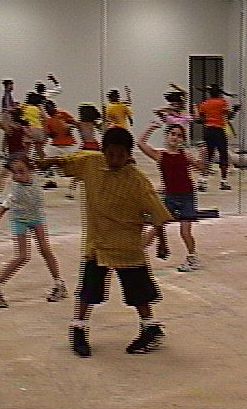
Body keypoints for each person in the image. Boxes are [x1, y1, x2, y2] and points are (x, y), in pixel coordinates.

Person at [38, 127, 173, 358]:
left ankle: (150, 328)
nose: (115, 159)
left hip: (126, 246)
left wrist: (162, 243)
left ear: (129, 155)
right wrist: (47, 162)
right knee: (88, 291)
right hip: (97, 244)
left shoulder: (138, 181)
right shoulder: (91, 163)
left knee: (138, 292)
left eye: (121, 155)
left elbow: (156, 212)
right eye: (111, 154)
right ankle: (79, 328)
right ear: (103, 151)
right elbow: (67, 161)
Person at [0, 156, 66, 307]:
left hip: (37, 218)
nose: (17, 176)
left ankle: (59, 285)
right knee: (22, 256)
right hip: (20, 221)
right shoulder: (15, 192)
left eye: (21, 171)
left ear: (30, 170)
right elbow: (1, 209)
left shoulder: (37, 177)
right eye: (14, 172)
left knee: (46, 250)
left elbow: (50, 164)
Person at [138, 121, 207, 272]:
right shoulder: (160, 155)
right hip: (170, 197)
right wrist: (150, 128)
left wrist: (203, 152)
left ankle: (192, 257)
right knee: (156, 228)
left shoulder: (185, 155)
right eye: (173, 134)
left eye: (179, 136)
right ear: (167, 136)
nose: (175, 138)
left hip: (187, 196)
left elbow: (202, 168)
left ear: (183, 140)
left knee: (185, 232)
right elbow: (140, 143)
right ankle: (134, 255)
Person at [195, 84, 241, 191]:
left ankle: (203, 180)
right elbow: (229, 117)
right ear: (219, 93)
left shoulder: (204, 104)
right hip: (219, 131)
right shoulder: (223, 103)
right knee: (223, 155)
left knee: (208, 156)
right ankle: (223, 181)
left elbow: (201, 119)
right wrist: (235, 110)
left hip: (208, 131)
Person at [0, 105, 30, 209]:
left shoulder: (10, 128)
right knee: (18, 177)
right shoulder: (21, 128)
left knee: (2, 176)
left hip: (13, 155)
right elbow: (30, 136)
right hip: (21, 154)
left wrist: (3, 112)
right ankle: (23, 198)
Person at [42, 100, 79, 193]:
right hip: (56, 145)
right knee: (48, 161)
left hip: (68, 145)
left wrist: (69, 127)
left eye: (49, 107)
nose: (48, 110)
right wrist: (49, 134)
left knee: (73, 164)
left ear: (53, 107)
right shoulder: (48, 120)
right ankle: (51, 181)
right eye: (46, 108)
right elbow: (48, 133)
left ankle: (74, 185)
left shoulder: (62, 114)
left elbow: (75, 123)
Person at [21, 91, 48, 160]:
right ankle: (45, 162)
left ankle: (25, 163)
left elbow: (19, 116)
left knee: (26, 150)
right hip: (39, 129)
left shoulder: (24, 107)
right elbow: (45, 118)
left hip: (29, 129)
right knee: (39, 150)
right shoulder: (39, 108)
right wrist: (45, 131)